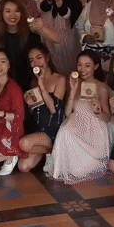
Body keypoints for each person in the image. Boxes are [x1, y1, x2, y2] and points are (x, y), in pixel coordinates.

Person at [45, 50, 112, 184]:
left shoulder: (101, 87)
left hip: (93, 127)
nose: (83, 69)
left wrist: (97, 111)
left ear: (96, 66)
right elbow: (67, 113)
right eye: (80, 65)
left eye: (87, 65)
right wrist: (73, 90)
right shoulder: (75, 84)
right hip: (76, 122)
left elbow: (107, 117)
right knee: (65, 131)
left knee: (78, 171)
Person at [0, 0, 61, 91]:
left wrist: (41, 28)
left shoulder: (30, 30)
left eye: (17, 11)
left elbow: (58, 40)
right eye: (8, 11)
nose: (13, 15)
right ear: (1, 13)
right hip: (9, 87)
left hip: (34, 84)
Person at [17, 45, 67, 173]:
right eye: (32, 60)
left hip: (53, 130)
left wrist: (41, 86)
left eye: (39, 58)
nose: (36, 63)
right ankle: (52, 152)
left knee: (23, 144)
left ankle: (56, 149)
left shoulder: (59, 79)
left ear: (47, 58)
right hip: (39, 129)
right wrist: (29, 103)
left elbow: (53, 110)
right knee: (23, 167)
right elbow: (35, 112)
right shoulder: (33, 82)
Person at [39, 0, 82, 76]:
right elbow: (43, 8)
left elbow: (66, 14)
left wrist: (59, 2)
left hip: (68, 47)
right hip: (50, 45)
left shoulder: (74, 2)